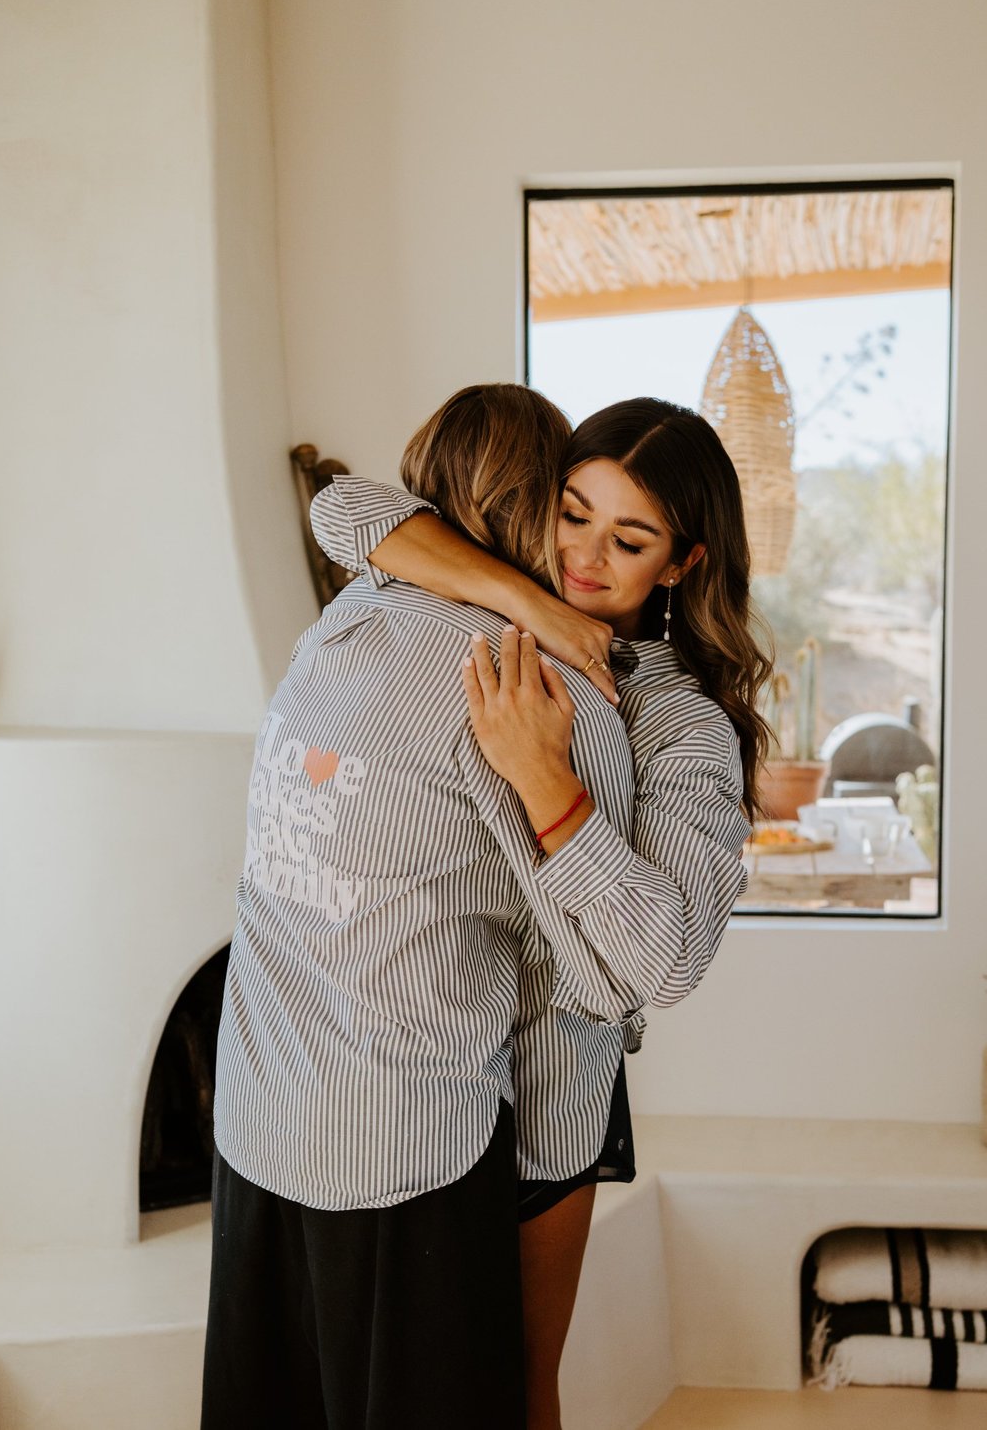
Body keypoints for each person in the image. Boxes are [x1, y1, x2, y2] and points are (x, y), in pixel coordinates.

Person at [203, 384, 689, 1430]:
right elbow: (605, 980)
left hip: (255, 1117)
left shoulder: (342, 615)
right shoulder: (536, 690)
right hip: (403, 1151)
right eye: (572, 517)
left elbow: (348, 512)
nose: (589, 554)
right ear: (536, 507)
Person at [311, 395, 771, 1430]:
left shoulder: (680, 724)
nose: (586, 556)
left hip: (541, 1103)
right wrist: (535, 609)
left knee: (514, 1393)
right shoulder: (491, 611)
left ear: (683, 563)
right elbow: (342, 510)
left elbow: (668, 960)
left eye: (630, 538)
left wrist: (547, 787)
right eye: (573, 513)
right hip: (417, 1087)